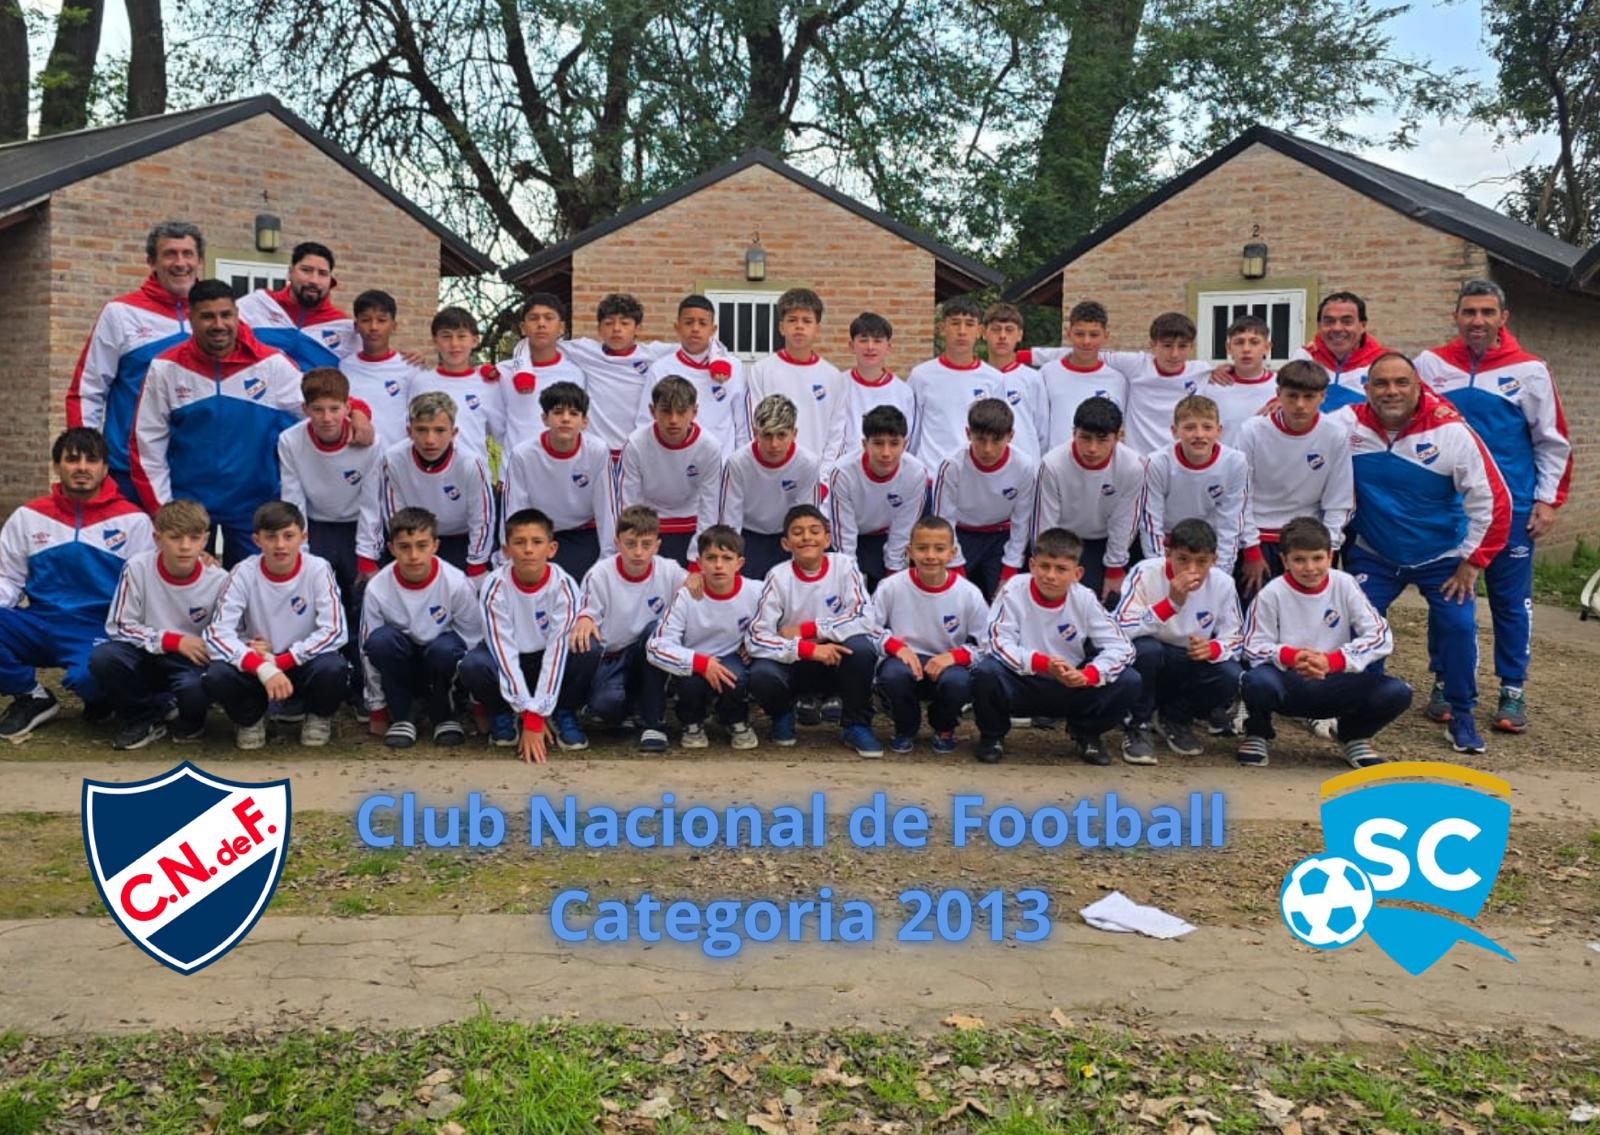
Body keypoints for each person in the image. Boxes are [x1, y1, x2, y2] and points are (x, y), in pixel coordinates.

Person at [1414, 278, 1573, 734]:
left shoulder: (1531, 370)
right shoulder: (1430, 364)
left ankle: (1512, 688)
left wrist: (1547, 500)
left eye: (1487, 312)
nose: (1477, 321)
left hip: (1513, 505)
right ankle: (1446, 681)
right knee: (1449, 597)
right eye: (1469, 312)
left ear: (1504, 317)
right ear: (1456, 316)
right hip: (1449, 506)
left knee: (1509, 602)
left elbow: (1551, 441)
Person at [1342, 351, 1510, 755]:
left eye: (1402, 382)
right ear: (1367, 389)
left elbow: (1494, 500)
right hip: (1375, 552)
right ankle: (1364, 711)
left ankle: (1461, 714)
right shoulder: (1345, 424)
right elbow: (1300, 425)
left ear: (1419, 387)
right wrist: (1272, 406)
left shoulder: (1451, 432)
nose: (1391, 391)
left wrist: (1473, 561)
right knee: (1361, 625)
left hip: (1442, 556)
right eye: (1381, 383)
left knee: (1458, 627)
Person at [129, 278, 305, 566]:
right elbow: (146, 444)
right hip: (190, 508)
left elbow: (319, 403)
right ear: (190, 318)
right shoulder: (166, 368)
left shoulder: (271, 364)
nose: (219, 324)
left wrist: (357, 412)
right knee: (189, 589)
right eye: (208, 316)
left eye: (226, 315)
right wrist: (165, 513)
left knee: (256, 589)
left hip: (255, 507)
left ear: (237, 315)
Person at [0, 428, 154, 741]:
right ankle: (31, 695)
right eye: (72, 459)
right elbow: (8, 578)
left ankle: (102, 699)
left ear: (105, 468)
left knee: (90, 679)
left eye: (91, 460)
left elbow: (147, 589)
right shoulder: (28, 516)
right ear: (57, 466)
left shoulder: (134, 521)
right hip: (39, 622)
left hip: (98, 628)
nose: (82, 467)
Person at [1238, 516, 1413, 768]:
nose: (1310, 567)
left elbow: (1379, 634)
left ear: (1330, 557)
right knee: (1255, 681)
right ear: (1284, 560)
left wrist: (1333, 660)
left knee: (1398, 692)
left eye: (1317, 558)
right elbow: (1252, 646)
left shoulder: (1345, 584)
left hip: (1333, 679)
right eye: (1299, 560)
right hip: (1287, 680)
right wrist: (1291, 656)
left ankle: (1353, 735)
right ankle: (1257, 732)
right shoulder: (1271, 593)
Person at [969, 527, 1140, 766]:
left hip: (1071, 683)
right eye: (1045, 566)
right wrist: (1042, 663)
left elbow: (1123, 647)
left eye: (1061, 569)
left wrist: (1089, 675)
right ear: (1032, 565)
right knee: (987, 671)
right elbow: (995, 642)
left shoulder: (1084, 598)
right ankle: (992, 736)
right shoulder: (1013, 589)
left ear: (1077, 573)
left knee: (1129, 679)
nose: (1051, 576)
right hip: (1023, 680)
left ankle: (1087, 733)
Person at [67, 220, 205, 503]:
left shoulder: (219, 317)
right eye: (170, 254)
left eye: (188, 254)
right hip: (129, 470)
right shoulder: (121, 313)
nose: (180, 263)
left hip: (198, 469)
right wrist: (88, 458)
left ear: (200, 261)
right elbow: (88, 390)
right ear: (151, 262)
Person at [202, 500, 350, 749]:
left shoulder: (318, 569)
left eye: (288, 536)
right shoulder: (243, 572)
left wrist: (282, 662)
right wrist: (261, 666)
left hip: (299, 662)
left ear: (303, 537)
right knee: (218, 674)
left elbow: (335, 630)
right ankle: (250, 719)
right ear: (257, 540)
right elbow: (217, 634)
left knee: (333, 666)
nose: (280, 545)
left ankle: (318, 715)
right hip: (258, 664)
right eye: (271, 537)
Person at [746, 504, 882, 755]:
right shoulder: (777, 576)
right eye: (797, 532)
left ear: (827, 539)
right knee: (762, 672)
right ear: (786, 543)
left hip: (835, 657)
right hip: (795, 658)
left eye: (814, 531)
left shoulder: (845, 566)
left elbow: (865, 617)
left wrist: (810, 629)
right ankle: (782, 715)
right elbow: (757, 637)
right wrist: (806, 649)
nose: (806, 537)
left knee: (862, 648)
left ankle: (856, 724)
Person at [91, 499, 226, 748]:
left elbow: (226, 634)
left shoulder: (219, 580)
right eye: (175, 538)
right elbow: (118, 625)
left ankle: (191, 721)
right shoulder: (138, 567)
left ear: (205, 540)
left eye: (194, 538)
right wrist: (173, 641)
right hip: (147, 653)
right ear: (157, 538)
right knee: (104, 657)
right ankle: (141, 719)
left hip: (191, 660)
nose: (185, 546)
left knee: (195, 688)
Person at [457, 507, 588, 763]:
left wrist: (538, 714)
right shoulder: (494, 586)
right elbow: (503, 652)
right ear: (506, 551)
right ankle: (503, 712)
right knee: (473, 664)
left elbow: (557, 652)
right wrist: (527, 714)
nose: (528, 550)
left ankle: (561, 712)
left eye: (537, 542)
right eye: (519, 542)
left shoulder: (564, 586)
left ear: (551, 549)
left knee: (587, 647)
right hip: (511, 658)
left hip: (545, 659)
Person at [1113, 518, 1244, 765]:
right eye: (1183, 559)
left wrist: (1213, 648)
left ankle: (1175, 719)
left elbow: (1236, 637)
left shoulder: (1223, 583)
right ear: (1168, 554)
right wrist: (1170, 603)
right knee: (1146, 650)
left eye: (1201, 562)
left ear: (1214, 559)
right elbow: (1120, 628)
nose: (1191, 569)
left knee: (1230, 674)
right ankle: (1138, 724)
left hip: (1189, 659)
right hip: (1153, 656)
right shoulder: (1145, 572)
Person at [278, 367, 382, 677]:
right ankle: (318, 676)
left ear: (349, 407)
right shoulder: (290, 441)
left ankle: (362, 681)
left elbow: (372, 503)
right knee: (314, 601)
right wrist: (299, 550)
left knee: (360, 602)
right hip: (315, 526)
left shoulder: (370, 443)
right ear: (305, 409)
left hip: (355, 528)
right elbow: (293, 499)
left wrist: (367, 556)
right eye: (318, 409)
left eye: (335, 409)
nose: (327, 418)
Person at [568, 505, 690, 751]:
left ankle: (653, 722)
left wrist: (697, 581)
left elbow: (698, 597)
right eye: (630, 544)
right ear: (617, 543)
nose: (638, 552)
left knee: (656, 631)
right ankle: (625, 706)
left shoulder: (670, 571)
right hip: (612, 657)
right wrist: (585, 618)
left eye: (646, 544)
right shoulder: (600, 574)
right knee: (607, 706)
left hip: (648, 654)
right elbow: (586, 613)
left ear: (657, 545)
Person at [360, 507, 483, 748]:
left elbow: (473, 641)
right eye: (404, 547)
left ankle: (444, 715)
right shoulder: (377, 588)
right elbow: (367, 651)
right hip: (402, 662)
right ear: (391, 548)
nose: (413, 555)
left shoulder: (456, 583)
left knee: (445, 649)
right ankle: (402, 716)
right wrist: (377, 710)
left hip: (441, 664)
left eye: (422, 545)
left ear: (435, 545)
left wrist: (478, 706)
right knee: (381, 641)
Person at [871, 516, 988, 754]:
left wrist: (955, 656)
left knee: (958, 682)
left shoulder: (968, 593)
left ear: (953, 553)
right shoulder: (890, 586)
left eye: (939, 549)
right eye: (922, 548)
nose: (930, 556)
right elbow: (867, 628)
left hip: (947, 664)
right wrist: (896, 647)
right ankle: (905, 728)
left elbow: (989, 644)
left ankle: (944, 727)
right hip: (904, 661)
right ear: (909, 551)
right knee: (893, 676)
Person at [1233, 360, 1354, 587]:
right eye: (1292, 396)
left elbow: (1339, 500)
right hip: (1258, 535)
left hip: (1309, 537)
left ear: (1323, 396)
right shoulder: (1252, 430)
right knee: (1256, 606)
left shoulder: (1335, 434)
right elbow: (1239, 495)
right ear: (1278, 394)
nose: (1300, 405)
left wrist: (1328, 551)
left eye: (1309, 397)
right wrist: (1250, 550)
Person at [1025, 311, 1211, 458]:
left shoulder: (1203, 372)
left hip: (1181, 461)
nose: (1175, 354)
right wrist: (1020, 356)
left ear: (1192, 347)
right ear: (1153, 345)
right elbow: (1086, 351)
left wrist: (1224, 370)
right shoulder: (1136, 365)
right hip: (1141, 462)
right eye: (1167, 346)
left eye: (1182, 346)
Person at [645, 525, 761, 750]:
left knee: (734, 677)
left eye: (727, 558)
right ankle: (691, 722)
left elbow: (776, 626)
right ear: (699, 562)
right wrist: (699, 662)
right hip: (694, 657)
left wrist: (752, 643)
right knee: (690, 681)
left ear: (739, 563)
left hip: (731, 657)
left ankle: (734, 719)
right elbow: (656, 646)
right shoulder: (686, 596)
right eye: (711, 558)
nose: (718, 565)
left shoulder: (756, 591)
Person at [367, 391, 494, 578]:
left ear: (454, 433)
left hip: (462, 540)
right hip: (415, 540)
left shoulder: (471, 464)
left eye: (439, 430)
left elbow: (482, 519)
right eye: (421, 430)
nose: (430, 440)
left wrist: (476, 564)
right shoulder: (393, 460)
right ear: (409, 432)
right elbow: (396, 516)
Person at [501, 381, 617, 582]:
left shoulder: (598, 451)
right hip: (539, 537)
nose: (565, 419)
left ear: (585, 421)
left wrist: (608, 559)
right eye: (557, 412)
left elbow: (607, 508)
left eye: (573, 413)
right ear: (544, 418)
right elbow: (515, 509)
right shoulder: (523, 455)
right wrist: (513, 555)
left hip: (584, 533)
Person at [1033, 397, 1142, 604]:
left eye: (1102, 440)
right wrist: (1049, 566)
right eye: (1085, 438)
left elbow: (1124, 520)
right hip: (1063, 540)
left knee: (1110, 599)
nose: (1092, 448)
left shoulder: (1132, 466)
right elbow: (1045, 524)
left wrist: (1114, 567)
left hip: (1103, 541)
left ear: (1118, 437)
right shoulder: (1052, 464)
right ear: (1074, 432)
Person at [931, 398, 1037, 601]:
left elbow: (1022, 522)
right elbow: (943, 522)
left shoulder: (1024, 466)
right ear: (968, 433)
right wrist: (956, 568)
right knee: (953, 597)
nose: (988, 449)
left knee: (1007, 598)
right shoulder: (951, 466)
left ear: (1010, 436)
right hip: (961, 535)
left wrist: (1009, 570)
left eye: (996, 440)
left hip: (1001, 536)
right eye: (980, 439)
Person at [1138, 394, 1253, 575]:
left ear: (1219, 430)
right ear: (1174, 431)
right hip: (1169, 545)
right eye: (1190, 428)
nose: (1199, 435)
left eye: (1207, 427)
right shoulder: (1158, 463)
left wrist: (1220, 574)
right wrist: (1162, 571)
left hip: (1208, 547)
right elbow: (1151, 524)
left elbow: (1230, 525)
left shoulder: (1235, 463)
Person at [617, 376, 724, 565]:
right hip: (649, 527)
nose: (673, 420)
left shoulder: (709, 447)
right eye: (666, 411)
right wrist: (638, 546)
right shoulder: (636, 444)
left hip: (693, 525)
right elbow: (629, 504)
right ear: (652, 411)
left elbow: (711, 506)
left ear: (694, 412)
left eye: (681, 412)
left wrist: (697, 557)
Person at [558, 293, 680, 458]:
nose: (616, 328)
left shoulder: (653, 354)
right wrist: (524, 371)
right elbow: (533, 344)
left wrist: (715, 363)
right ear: (599, 329)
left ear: (638, 328)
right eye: (609, 323)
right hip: (596, 453)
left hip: (638, 452)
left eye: (624, 323)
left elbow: (703, 345)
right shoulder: (585, 351)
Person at [825, 405, 930, 591]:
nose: (886, 453)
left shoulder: (916, 473)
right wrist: (850, 580)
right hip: (843, 536)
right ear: (865, 444)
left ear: (905, 444)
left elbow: (903, 530)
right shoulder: (842, 473)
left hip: (883, 536)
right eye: (878, 443)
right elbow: (845, 537)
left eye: (894, 443)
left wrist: (893, 575)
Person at [717, 394, 820, 580]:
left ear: (794, 433)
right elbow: (729, 521)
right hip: (748, 537)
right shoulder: (737, 463)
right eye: (767, 435)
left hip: (788, 537)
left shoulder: (808, 464)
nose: (774, 444)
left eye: (781, 435)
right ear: (755, 433)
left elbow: (806, 518)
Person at [747, 288, 848, 466]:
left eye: (807, 321)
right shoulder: (761, 371)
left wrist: (824, 475)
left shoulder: (833, 376)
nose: (799, 326)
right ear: (781, 327)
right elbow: (753, 425)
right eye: (792, 320)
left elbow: (837, 433)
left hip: (815, 473)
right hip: (771, 470)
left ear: (817, 329)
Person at [638, 295, 748, 456]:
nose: (695, 329)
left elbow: (742, 424)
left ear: (713, 329)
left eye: (702, 323)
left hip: (721, 462)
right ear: (677, 327)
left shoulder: (733, 368)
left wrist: (741, 463)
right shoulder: (661, 369)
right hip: (673, 462)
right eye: (689, 322)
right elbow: (646, 422)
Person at [907, 295, 1003, 465]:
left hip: (972, 471)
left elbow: (997, 430)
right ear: (942, 328)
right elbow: (911, 431)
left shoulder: (994, 378)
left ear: (980, 331)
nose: (962, 331)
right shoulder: (921, 375)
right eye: (955, 323)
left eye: (969, 324)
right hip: (931, 471)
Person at [236, 240, 355, 370]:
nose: (314, 280)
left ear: (331, 280)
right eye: (306, 270)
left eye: (322, 273)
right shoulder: (256, 305)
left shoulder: (345, 326)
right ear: (290, 272)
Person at [494, 293, 589, 452]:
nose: (541, 324)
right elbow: (495, 423)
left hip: (561, 463)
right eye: (534, 318)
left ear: (561, 328)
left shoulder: (576, 373)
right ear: (523, 328)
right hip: (516, 464)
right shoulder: (502, 373)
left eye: (549, 318)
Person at [1030, 300, 1129, 448]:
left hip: (1099, 460)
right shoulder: (1047, 373)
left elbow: (1119, 428)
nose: (1086, 341)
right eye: (1079, 334)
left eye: (1094, 335)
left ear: (1105, 336)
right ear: (1068, 333)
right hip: (1056, 460)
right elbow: (1037, 423)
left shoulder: (1118, 380)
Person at [409, 306, 505, 458]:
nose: (454, 344)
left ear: (475, 340)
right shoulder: (421, 382)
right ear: (435, 341)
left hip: (473, 470)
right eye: (446, 336)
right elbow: (410, 432)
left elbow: (502, 435)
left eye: (461, 336)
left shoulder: (489, 385)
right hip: (429, 470)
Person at [340, 289, 422, 448]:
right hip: (356, 453)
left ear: (394, 326)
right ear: (356, 326)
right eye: (366, 320)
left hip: (396, 456)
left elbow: (421, 416)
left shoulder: (409, 367)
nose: (373, 327)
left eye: (381, 320)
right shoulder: (345, 367)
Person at [1289, 291, 1390, 411]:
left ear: (1362, 326)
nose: (1337, 328)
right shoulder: (1304, 357)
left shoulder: (1385, 362)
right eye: (1329, 321)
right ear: (1319, 326)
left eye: (1347, 322)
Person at [837, 313, 912, 466]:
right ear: (851, 346)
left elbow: (906, 438)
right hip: (845, 471)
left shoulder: (903, 392)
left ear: (888, 347)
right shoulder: (837, 386)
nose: (870, 347)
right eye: (863, 340)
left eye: (877, 340)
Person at [980, 302, 1048, 459]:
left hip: (1025, 462)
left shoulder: (1033, 378)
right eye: (996, 329)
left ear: (1020, 335)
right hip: (983, 462)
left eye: (1009, 330)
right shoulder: (975, 377)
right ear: (983, 333)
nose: (1002, 336)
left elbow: (1042, 430)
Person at [1201, 314, 1277, 437]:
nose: (1246, 349)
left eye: (1254, 342)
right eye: (1239, 342)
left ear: (1267, 348)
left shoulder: (1281, 388)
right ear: (1228, 348)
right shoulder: (1210, 386)